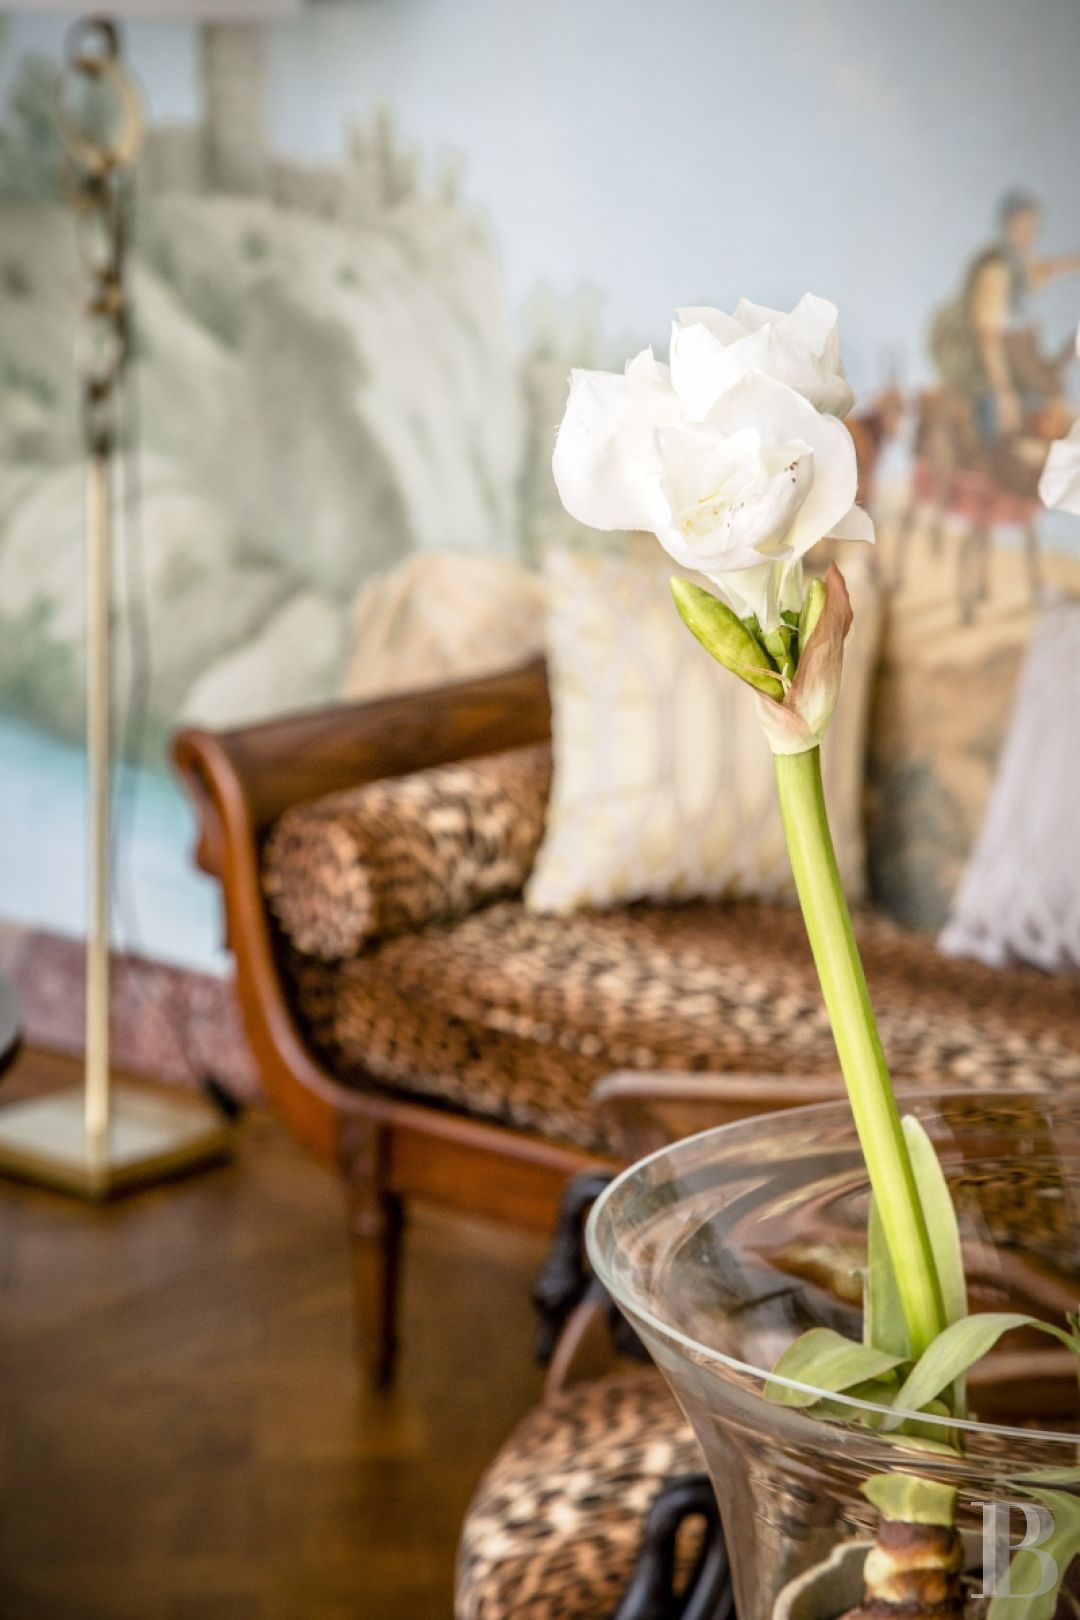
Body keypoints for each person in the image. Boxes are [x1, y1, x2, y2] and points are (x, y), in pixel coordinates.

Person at [929, 190, 1080, 444]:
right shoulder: (996, 269)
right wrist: (1004, 394)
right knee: (1008, 428)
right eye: (1027, 225)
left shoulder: (1014, 261)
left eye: (1034, 226)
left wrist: (1071, 264)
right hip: (983, 369)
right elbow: (989, 337)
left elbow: (1038, 272)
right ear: (1012, 223)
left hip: (1007, 359)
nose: (1031, 233)